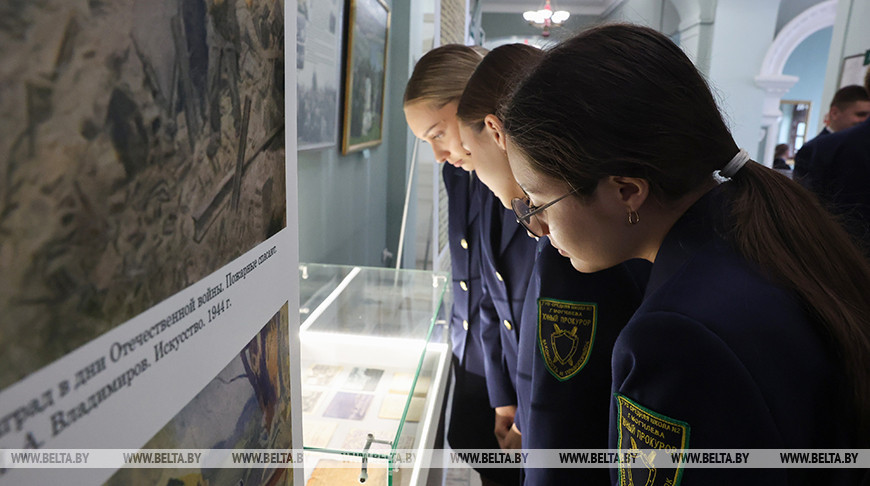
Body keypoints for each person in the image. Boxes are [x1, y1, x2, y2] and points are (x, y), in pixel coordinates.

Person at [503, 24, 870, 485]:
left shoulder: (673, 338)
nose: (536, 226)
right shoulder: (758, 234)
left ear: (626, 191)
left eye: (539, 202)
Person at [457, 43, 651, 485]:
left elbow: (567, 397)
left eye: (467, 149)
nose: (538, 223)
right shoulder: (589, 227)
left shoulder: (579, 240)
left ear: (496, 132)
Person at [403, 44, 517, 486]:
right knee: (470, 441)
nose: (437, 153)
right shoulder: (457, 169)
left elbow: (508, 288)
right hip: (472, 343)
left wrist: (510, 397)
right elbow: (472, 268)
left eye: (437, 133)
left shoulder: (507, 174)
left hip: (509, 356)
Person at [454, 44, 539, 455]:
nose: (463, 161)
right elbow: (492, 296)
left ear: (494, 131)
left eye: (468, 150)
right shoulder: (517, 203)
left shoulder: (549, 222)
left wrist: (528, 420)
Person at [790, 70, 870, 249]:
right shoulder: (815, 149)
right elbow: (807, 205)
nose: (864, 120)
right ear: (834, 113)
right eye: (860, 114)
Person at [794, 84, 870, 182]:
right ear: (834, 113)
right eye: (861, 114)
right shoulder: (812, 149)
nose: (866, 121)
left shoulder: (864, 146)